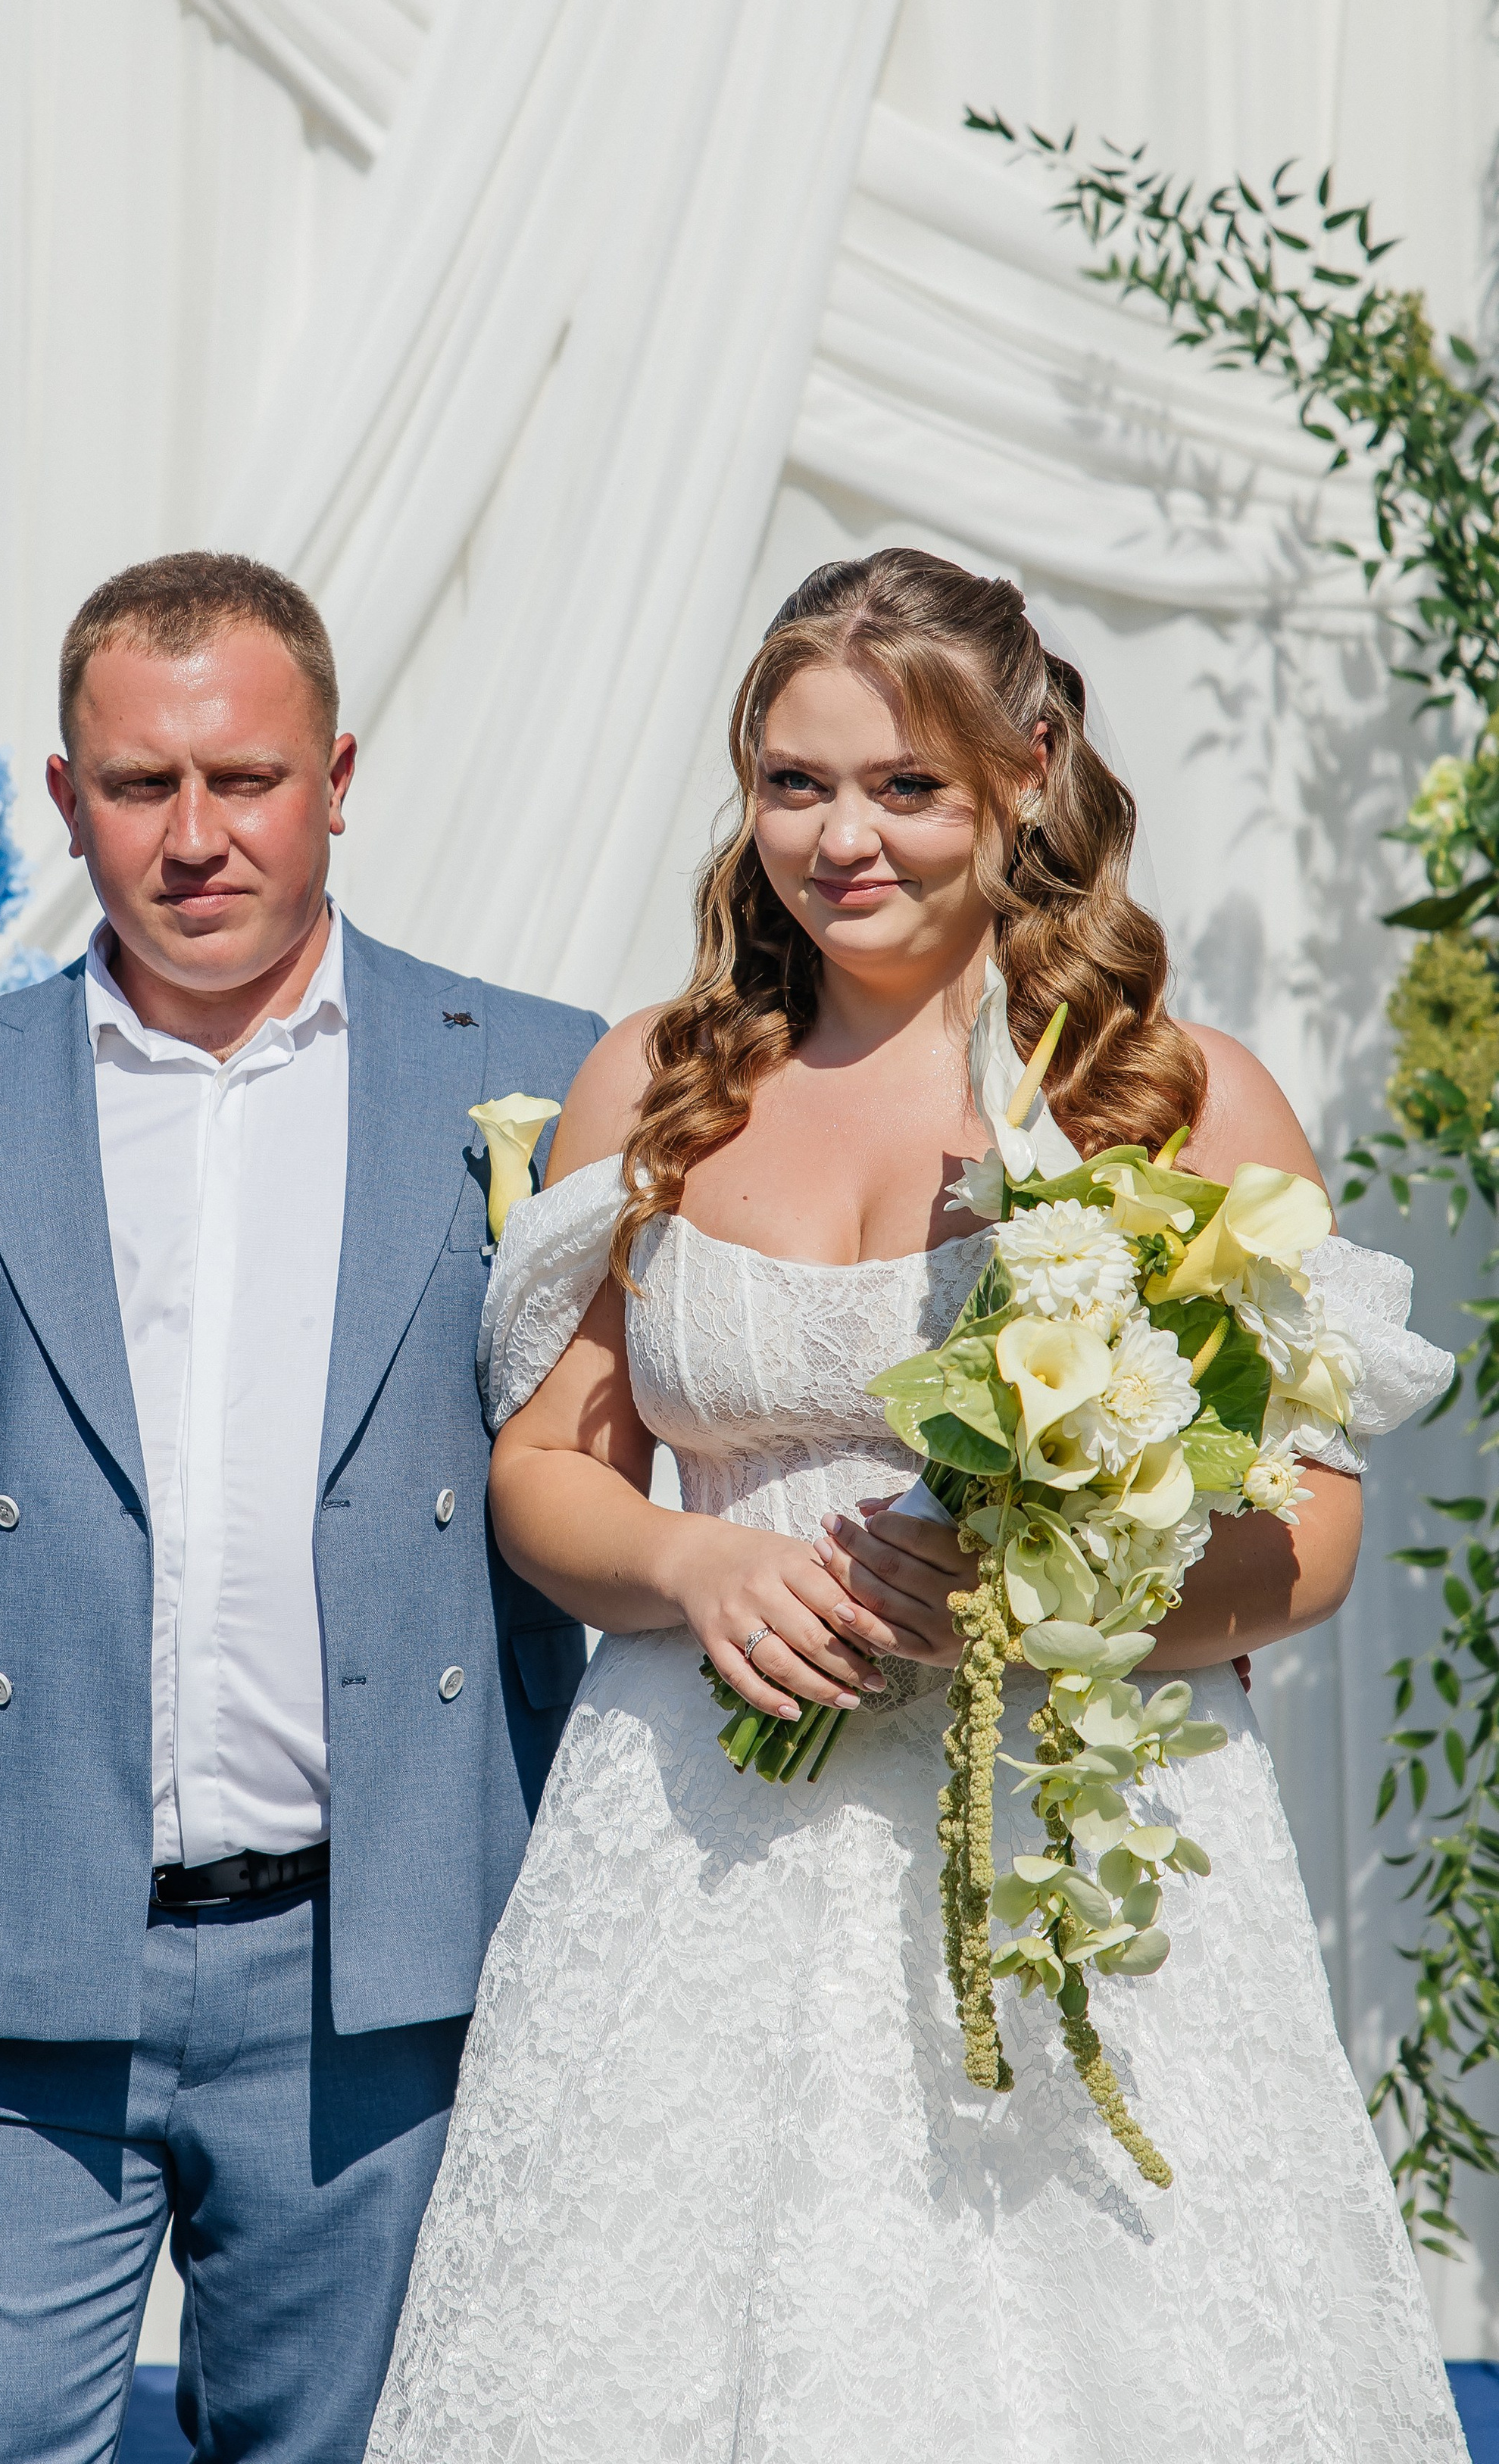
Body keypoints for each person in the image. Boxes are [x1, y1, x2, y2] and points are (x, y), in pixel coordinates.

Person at [366, 547, 1468, 2464]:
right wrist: (688, 1557)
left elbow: (1307, 1537)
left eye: (902, 788)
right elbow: (543, 1475)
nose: (838, 840)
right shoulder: (661, 1078)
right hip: (689, 1846)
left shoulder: (1167, 1099)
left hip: (1060, 1846)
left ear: (1025, 774)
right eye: (792, 785)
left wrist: (1045, 1603)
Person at [0, 551, 602, 2464]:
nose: (196, 836)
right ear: (64, 796)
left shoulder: (535, 1079)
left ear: (336, 777)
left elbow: (664, 1447)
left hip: (390, 1963)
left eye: (245, 779)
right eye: (139, 786)